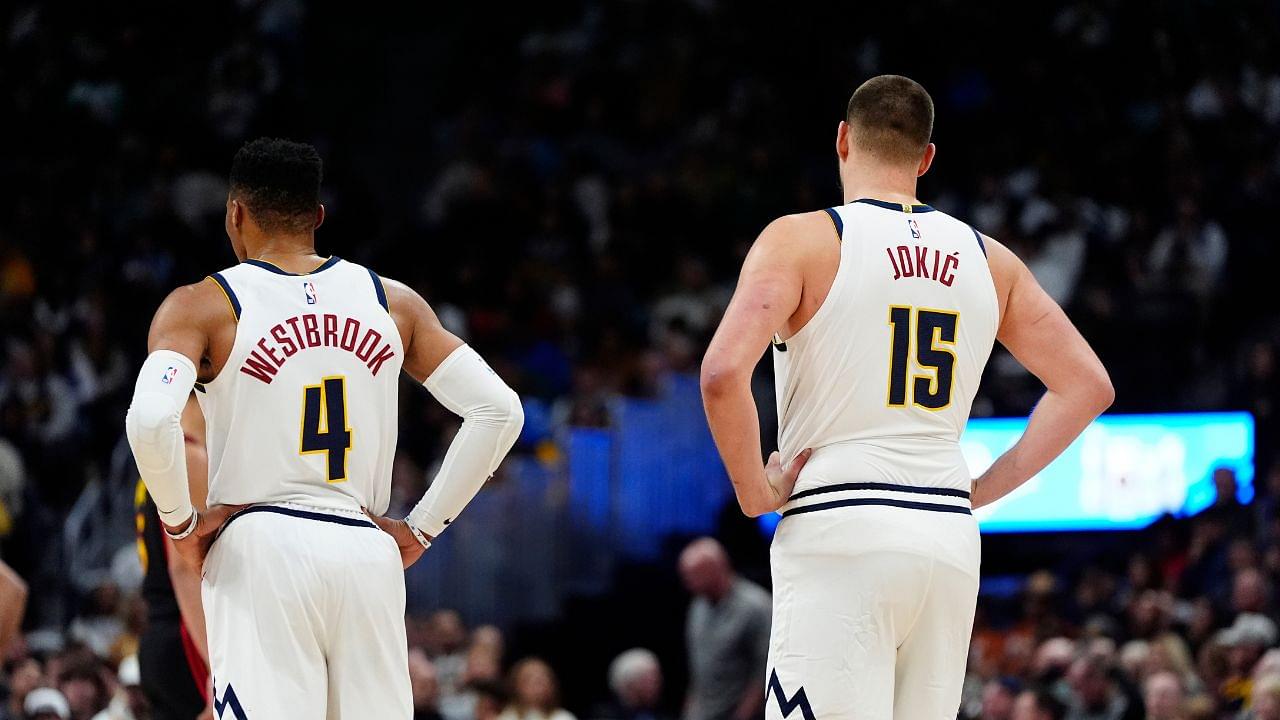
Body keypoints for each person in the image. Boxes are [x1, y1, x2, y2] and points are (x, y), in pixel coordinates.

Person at [700, 75, 1113, 719]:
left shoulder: (802, 239)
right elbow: (1088, 386)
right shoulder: (990, 258)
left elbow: (722, 373)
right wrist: (983, 488)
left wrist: (755, 490)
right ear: (926, 158)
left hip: (841, 520)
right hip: (946, 533)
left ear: (842, 140)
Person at [124, 138, 524, 718]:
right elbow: (501, 412)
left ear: (234, 212)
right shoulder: (394, 301)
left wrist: (181, 527)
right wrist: (422, 528)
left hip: (260, 545)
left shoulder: (202, 306)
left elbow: (150, 418)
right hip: (367, 551)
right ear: (316, 216)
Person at [134, 396, 211, 720]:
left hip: (163, 630)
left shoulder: (163, 453)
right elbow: (183, 569)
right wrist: (217, 663)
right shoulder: (190, 455)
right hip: (187, 634)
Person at [678, 538, 771, 720]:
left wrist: (743, 716)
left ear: (717, 568)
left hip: (738, 713)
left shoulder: (756, 607)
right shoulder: (698, 606)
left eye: (694, 574)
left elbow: (762, 674)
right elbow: (699, 670)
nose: (688, 583)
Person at [592, 648, 669, 720]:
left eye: (657, 680)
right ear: (629, 684)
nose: (658, 685)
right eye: (650, 680)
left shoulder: (663, 716)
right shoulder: (604, 715)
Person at [498, 658, 576, 720]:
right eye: (529, 679)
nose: (536, 685)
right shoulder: (506, 716)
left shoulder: (564, 717)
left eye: (541, 680)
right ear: (515, 685)